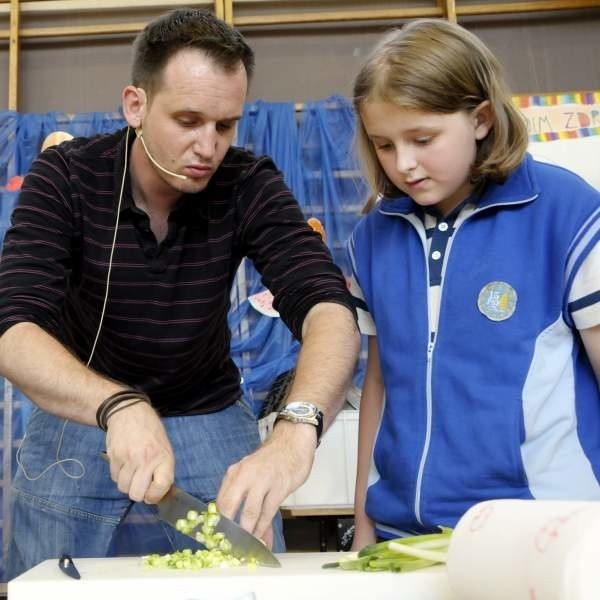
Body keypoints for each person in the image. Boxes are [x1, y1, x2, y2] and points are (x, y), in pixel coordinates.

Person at [0, 8, 359, 577]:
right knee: (43, 580)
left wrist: (298, 429)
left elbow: (327, 307)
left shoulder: (248, 181)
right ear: (135, 105)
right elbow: (14, 331)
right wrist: (117, 405)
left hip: (208, 409)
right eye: (188, 119)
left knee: (251, 580)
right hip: (78, 411)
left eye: (225, 125)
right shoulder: (65, 176)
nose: (208, 147)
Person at [347, 18, 600, 549]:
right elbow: (380, 384)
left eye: (422, 139)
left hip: (541, 534)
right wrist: (364, 524)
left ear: (481, 118)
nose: (404, 165)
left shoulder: (569, 213)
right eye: (384, 145)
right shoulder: (373, 235)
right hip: (404, 538)